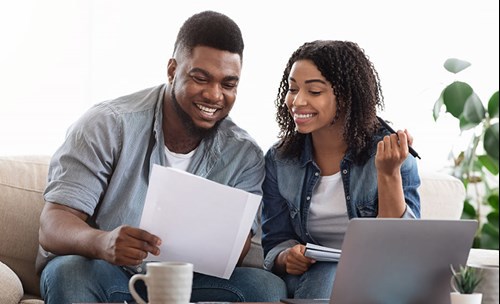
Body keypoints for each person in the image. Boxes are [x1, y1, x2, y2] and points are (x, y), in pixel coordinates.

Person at [37, 10, 286, 303]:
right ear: (172, 71)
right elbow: (53, 223)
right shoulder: (108, 124)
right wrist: (102, 242)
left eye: (228, 84)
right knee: (68, 273)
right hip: (107, 272)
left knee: (266, 288)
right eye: (200, 78)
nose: (214, 95)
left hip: (188, 282)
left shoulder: (245, 154)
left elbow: (237, 249)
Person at [261, 40, 421, 299]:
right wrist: (286, 257)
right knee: (326, 274)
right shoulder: (280, 160)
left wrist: (389, 173)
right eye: (292, 89)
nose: (297, 101)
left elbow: (400, 250)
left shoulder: (390, 154)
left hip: (374, 277)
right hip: (309, 278)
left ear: (346, 97)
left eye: (314, 92)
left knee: (333, 275)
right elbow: (276, 240)